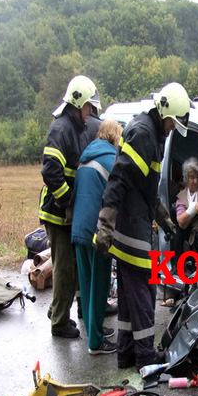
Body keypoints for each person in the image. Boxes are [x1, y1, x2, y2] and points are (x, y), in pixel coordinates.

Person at [96, 82, 190, 370]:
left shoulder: (150, 131)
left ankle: (126, 354)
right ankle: (146, 358)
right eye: (175, 123)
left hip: (133, 226)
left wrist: (163, 218)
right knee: (144, 295)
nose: (175, 129)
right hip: (129, 229)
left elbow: (146, 188)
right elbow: (119, 178)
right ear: (166, 114)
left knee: (127, 296)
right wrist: (105, 224)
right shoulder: (144, 134)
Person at [39, 75, 101, 338]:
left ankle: (58, 310)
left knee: (68, 266)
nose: (90, 113)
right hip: (57, 212)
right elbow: (50, 170)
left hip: (64, 212)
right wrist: (69, 201)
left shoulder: (74, 128)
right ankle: (59, 323)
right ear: (77, 105)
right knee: (63, 269)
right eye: (88, 107)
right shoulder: (62, 129)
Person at [71, 119, 123, 355]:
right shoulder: (111, 159)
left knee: (87, 283)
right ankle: (96, 342)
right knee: (100, 285)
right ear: (115, 136)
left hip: (78, 228)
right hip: (97, 231)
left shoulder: (85, 157)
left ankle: (95, 331)